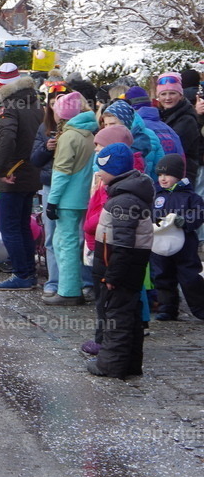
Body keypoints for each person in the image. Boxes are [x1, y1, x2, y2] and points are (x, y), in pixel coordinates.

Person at [86, 143, 154, 379]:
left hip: (119, 271)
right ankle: (130, 363)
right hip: (126, 268)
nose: (98, 173)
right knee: (129, 314)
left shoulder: (123, 201)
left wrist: (112, 275)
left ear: (114, 170)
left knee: (116, 317)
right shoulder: (126, 196)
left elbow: (123, 245)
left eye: (101, 168)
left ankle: (110, 365)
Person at [0, 63, 41, 290]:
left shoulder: (9, 106)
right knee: (22, 225)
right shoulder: (35, 103)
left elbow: (7, 139)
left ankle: (22, 274)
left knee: (10, 228)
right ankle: (28, 272)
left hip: (13, 174)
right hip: (31, 171)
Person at [43, 92, 98, 305]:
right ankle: (79, 286)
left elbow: (61, 172)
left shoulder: (68, 136)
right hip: (84, 197)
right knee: (76, 242)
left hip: (67, 199)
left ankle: (68, 291)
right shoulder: (89, 133)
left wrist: (52, 201)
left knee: (64, 243)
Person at [150, 154, 204, 321]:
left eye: (167, 174)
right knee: (162, 276)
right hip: (160, 243)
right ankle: (167, 308)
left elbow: (199, 214)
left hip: (185, 244)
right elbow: (149, 215)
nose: (163, 178)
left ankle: (200, 308)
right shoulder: (156, 195)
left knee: (190, 277)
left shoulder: (190, 197)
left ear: (179, 175)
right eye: (160, 175)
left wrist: (185, 220)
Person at [31, 81, 68, 300]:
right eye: (53, 104)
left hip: (71, 186)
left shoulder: (78, 128)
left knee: (73, 236)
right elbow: (34, 159)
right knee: (51, 235)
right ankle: (53, 281)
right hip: (50, 183)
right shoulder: (43, 129)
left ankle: (78, 281)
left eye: (61, 103)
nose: (57, 108)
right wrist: (46, 148)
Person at [155, 73, 200, 184]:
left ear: (180, 95)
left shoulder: (187, 119)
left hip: (181, 174)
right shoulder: (161, 115)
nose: (167, 98)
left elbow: (172, 147)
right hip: (167, 173)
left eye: (172, 93)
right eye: (163, 94)